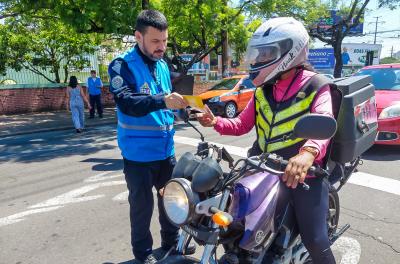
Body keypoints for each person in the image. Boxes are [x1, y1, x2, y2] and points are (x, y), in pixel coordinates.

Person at [196, 17, 336, 264]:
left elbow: (324, 121)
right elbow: (241, 125)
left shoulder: (317, 85)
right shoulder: (263, 91)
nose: (258, 60)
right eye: (258, 54)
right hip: (261, 166)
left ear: (289, 52)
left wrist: (307, 154)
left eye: (266, 53)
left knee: (315, 239)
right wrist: (214, 122)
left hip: (302, 175)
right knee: (228, 218)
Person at [108, 10, 194, 264]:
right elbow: (127, 103)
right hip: (138, 156)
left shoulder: (162, 66)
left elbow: (167, 101)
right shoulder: (122, 65)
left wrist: (186, 110)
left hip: (166, 152)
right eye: (156, 41)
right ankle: (144, 253)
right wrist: (162, 101)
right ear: (138, 36)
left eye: (165, 41)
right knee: (142, 208)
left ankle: (171, 243)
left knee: (172, 201)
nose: (162, 47)